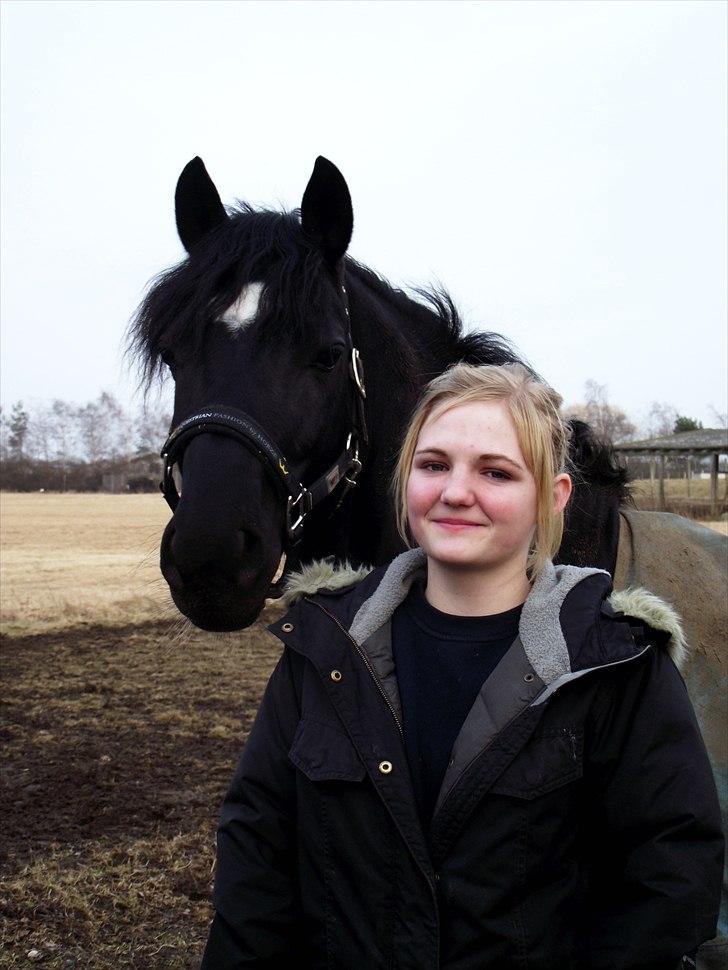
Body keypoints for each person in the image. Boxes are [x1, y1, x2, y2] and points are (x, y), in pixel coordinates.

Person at [200, 362, 723, 969]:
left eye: (495, 472)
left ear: (552, 499)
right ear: (406, 478)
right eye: (433, 465)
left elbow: (670, 881)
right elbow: (256, 855)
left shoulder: (617, 665)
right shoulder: (324, 648)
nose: (454, 491)